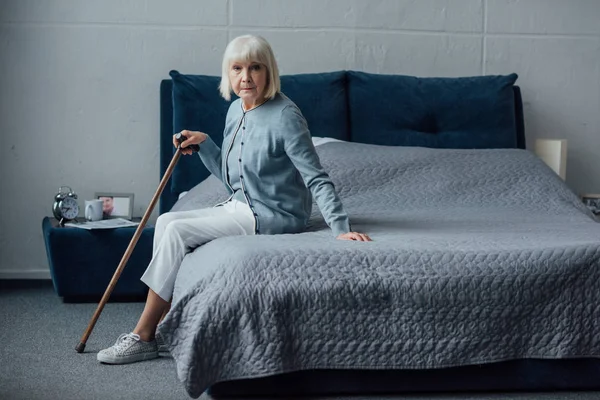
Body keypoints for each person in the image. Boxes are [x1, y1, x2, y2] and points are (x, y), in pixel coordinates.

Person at [97, 34, 372, 365]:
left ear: (268, 72)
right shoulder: (234, 111)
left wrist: (340, 228)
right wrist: (206, 145)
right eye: (237, 68)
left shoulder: (286, 116)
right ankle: (162, 321)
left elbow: (315, 175)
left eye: (255, 67)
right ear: (228, 74)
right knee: (167, 220)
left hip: (274, 214)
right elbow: (232, 180)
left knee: (177, 231)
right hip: (241, 206)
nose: (246, 77)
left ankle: (144, 334)